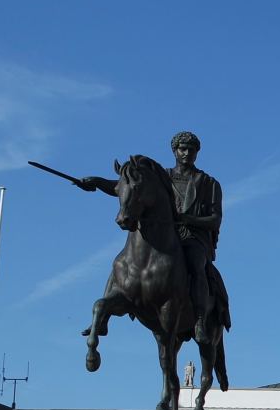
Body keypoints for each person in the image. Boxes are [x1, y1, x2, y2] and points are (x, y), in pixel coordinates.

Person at [80, 131, 223, 342]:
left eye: (191, 150)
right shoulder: (159, 176)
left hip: (191, 238)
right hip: (160, 236)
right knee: (121, 263)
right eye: (183, 149)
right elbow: (126, 186)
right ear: (175, 151)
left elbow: (214, 219)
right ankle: (100, 321)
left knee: (196, 263)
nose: (187, 153)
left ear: (197, 153)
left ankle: (200, 319)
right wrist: (96, 182)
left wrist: (187, 219)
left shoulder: (208, 183)